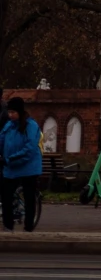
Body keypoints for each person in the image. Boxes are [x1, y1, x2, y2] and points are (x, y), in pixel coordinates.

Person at [2, 96, 43, 232]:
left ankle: (28, 226)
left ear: (20, 112)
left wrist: (11, 159)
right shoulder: (9, 126)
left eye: (13, 112)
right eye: (9, 112)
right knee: (6, 195)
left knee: (29, 197)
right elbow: (1, 141)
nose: (10, 115)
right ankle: (8, 225)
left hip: (28, 167)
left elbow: (29, 148)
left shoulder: (31, 126)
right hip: (11, 167)